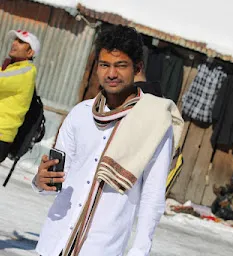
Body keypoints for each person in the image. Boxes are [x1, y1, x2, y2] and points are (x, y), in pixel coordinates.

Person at [33, 24, 183, 256]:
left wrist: (139, 250)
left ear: (138, 68)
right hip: (55, 241)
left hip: (101, 247)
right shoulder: (80, 114)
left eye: (120, 65)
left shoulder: (153, 122)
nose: (111, 73)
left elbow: (153, 194)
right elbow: (58, 182)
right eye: (104, 65)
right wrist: (41, 182)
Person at [0, 29, 40, 162]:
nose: (14, 43)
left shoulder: (26, 71)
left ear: (30, 52)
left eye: (21, 42)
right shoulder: (12, 67)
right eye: (15, 40)